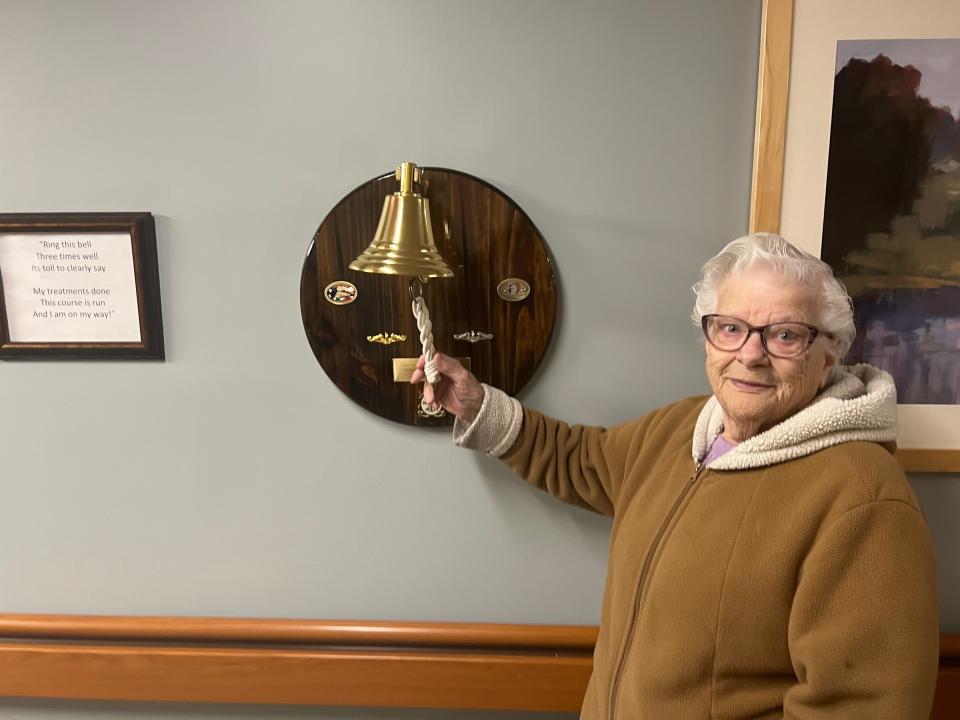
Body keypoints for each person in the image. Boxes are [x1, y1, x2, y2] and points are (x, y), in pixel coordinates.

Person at [411, 233, 939, 719]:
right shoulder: (679, 427)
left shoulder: (863, 496)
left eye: (783, 335)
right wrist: (478, 406)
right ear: (709, 339)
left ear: (827, 355)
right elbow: (579, 459)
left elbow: (863, 709)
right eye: (730, 328)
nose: (749, 355)